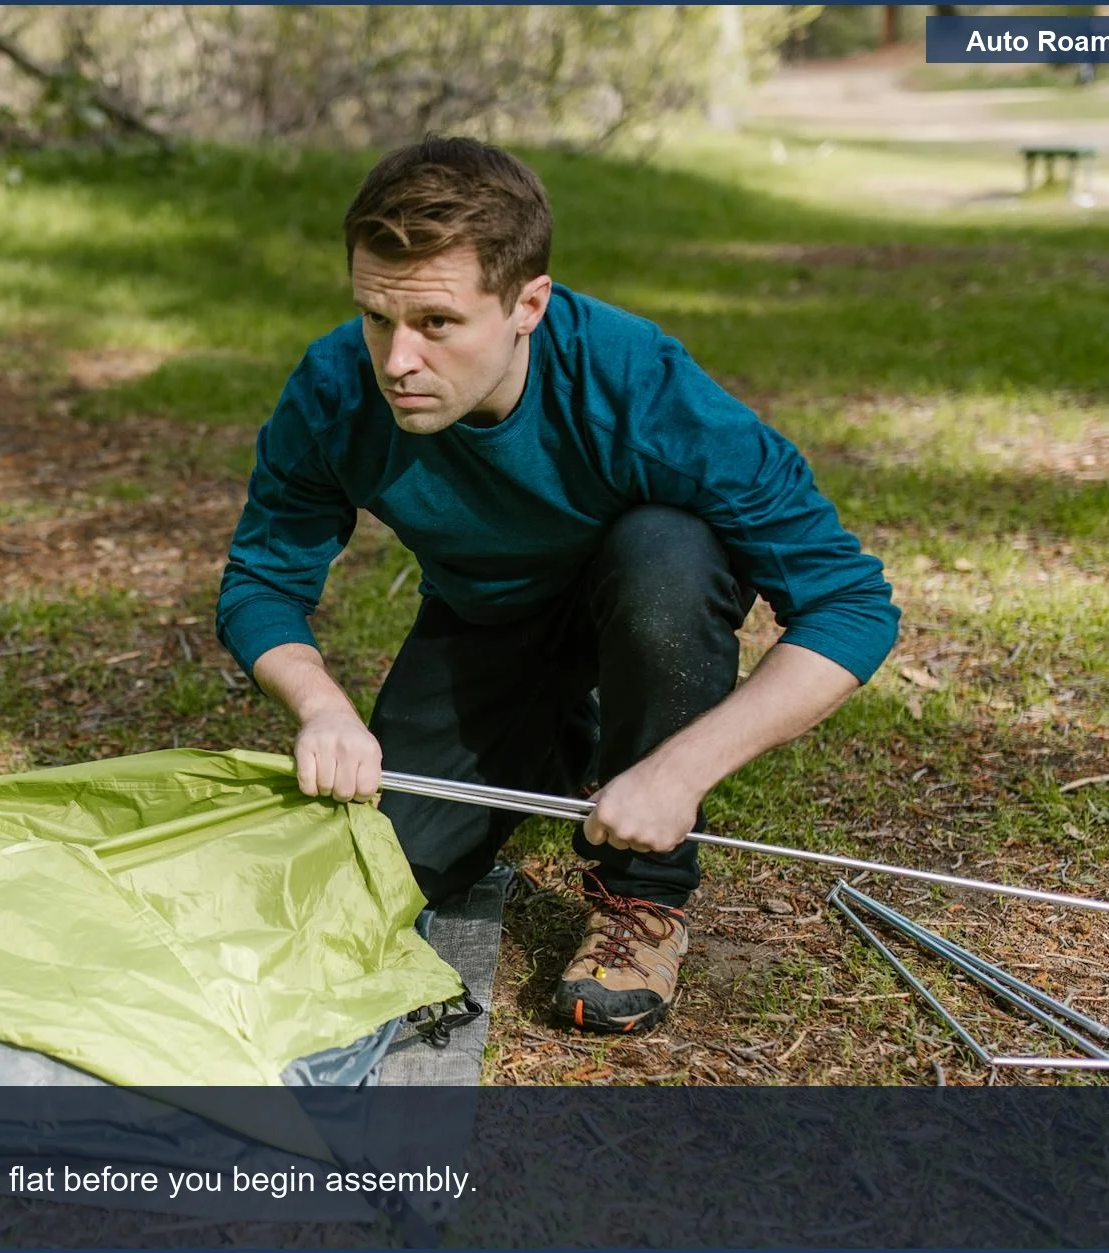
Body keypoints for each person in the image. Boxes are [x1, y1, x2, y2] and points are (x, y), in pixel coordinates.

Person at [214, 137, 899, 1035]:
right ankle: (562, 734)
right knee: (382, 872)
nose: (397, 359)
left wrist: (679, 770)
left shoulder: (638, 385)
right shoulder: (335, 391)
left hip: (647, 589)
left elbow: (850, 606)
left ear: (527, 305)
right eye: (377, 317)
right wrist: (323, 710)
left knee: (666, 552)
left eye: (437, 322)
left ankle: (642, 895)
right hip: (487, 618)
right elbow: (259, 583)